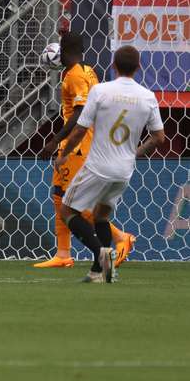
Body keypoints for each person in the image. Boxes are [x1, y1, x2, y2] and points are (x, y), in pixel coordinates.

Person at [54, 45, 165, 283]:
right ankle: (99, 272)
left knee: (66, 211)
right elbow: (159, 138)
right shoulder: (148, 96)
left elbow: (80, 129)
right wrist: (135, 153)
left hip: (97, 167)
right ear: (139, 67)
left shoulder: (101, 91)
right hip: (123, 171)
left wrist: (63, 154)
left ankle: (101, 253)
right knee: (101, 216)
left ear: (113, 66)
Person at [36, 32, 134, 269]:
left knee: (75, 205)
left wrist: (56, 141)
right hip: (75, 144)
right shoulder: (86, 70)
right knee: (59, 195)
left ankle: (121, 238)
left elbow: (81, 113)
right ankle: (63, 254)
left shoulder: (76, 76)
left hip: (79, 146)